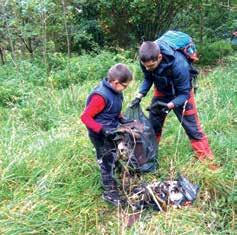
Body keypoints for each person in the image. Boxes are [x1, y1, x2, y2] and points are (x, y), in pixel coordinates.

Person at [130, 40, 216, 167]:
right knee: (153, 126)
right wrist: (139, 95)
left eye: (151, 66)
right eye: (145, 65)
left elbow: (184, 93)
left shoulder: (179, 65)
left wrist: (170, 105)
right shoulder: (146, 59)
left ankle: (209, 164)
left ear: (159, 57)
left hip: (181, 93)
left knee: (192, 129)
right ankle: (149, 159)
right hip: (161, 91)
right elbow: (148, 78)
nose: (148, 68)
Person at [80, 63, 133, 206]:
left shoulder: (116, 92)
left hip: (111, 130)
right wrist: (102, 131)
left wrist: (122, 119)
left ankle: (117, 171)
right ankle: (109, 192)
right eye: (125, 86)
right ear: (116, 83)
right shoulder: (100, 96)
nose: (125, 88)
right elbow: (85, 117)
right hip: (100, 134)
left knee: (115, 153)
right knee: (106, 160)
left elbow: (113, 109)